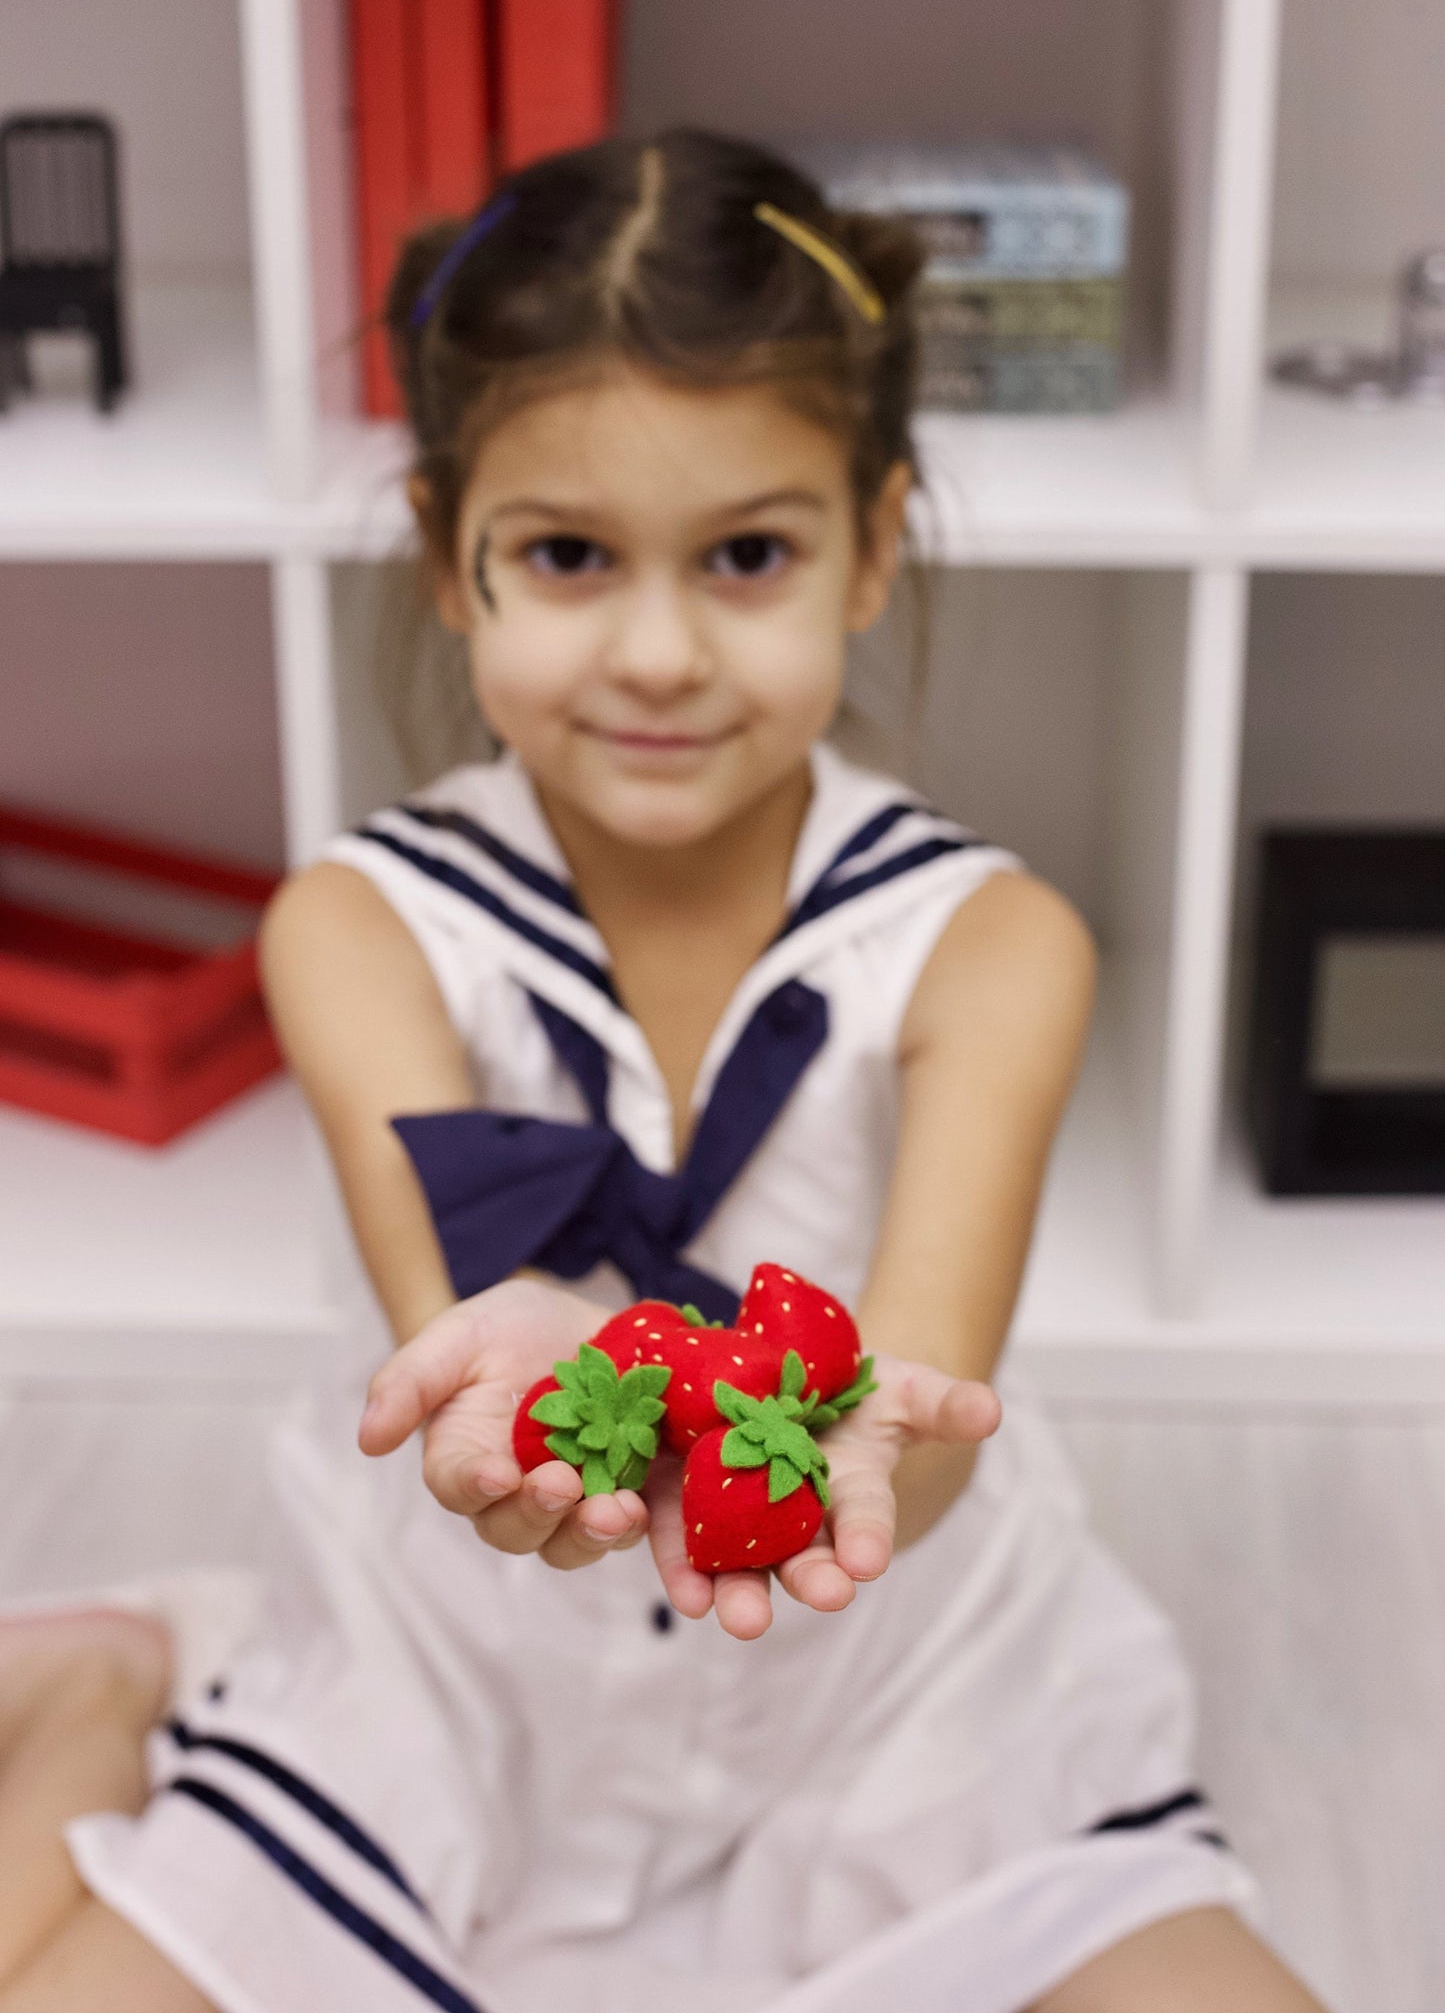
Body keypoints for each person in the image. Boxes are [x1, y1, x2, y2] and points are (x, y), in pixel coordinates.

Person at [0, 130, 1328, 2013]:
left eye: (747, 557)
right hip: (454, 1678)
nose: (652, 651)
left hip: (900, 1686)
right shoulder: (354, 928)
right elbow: (453, 1331)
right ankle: (106, 1680)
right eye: (564, 555)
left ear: (872, 547)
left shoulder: (992, 947)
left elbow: (918, 1409)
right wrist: (524, 1377)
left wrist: (850, 1454)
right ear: (449, 559)